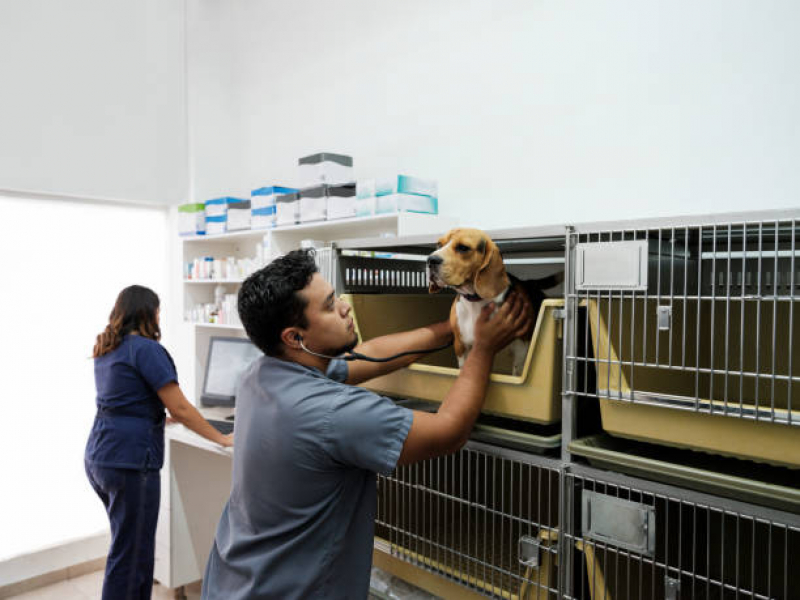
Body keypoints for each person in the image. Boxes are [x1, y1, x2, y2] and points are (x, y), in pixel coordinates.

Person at [201, 250, 532, 600]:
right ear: (294, 337)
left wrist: (455, 328)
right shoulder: (332, 413)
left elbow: (371, 355)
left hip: (232, 579)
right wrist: (482, 348)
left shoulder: (262, 374)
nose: (344, 306)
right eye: (329, 305)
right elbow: (449, 431)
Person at [85, 285, 234, 600]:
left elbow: (121, 400)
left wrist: (156, 418)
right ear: (150, 313)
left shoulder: (108, 346)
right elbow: (179, 406)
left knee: (126, 548)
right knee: (133, 555)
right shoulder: (147, 349)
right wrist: (221, 437)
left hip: (100, 456)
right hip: (130, 460)